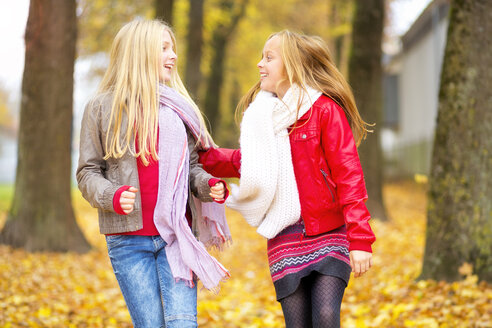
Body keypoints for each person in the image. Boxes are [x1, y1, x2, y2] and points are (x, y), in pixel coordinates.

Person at [198, 30, 376, 328]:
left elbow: (349, 174)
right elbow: (245, 162)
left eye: (269, 57)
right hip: (285, 236)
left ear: (292, 66)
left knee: (326, 316)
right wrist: (201, 153)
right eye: (261, 57)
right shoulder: (263, 118)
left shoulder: (324, 111)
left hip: (329, 231)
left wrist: (360, 239)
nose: (260, 64)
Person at [76, 19, 231, 328]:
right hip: (128, 241)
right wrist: (113, 195)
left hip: (176, 236)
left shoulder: (178, 110)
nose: (173, 55)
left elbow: (191, 169)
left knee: (182, 324)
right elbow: (87, 172)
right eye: (163, 48)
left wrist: (208, 185)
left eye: (172, 47)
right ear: (139, 53)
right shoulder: (101, 108)